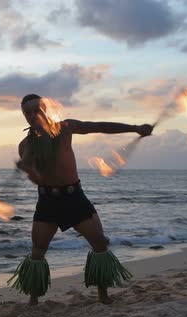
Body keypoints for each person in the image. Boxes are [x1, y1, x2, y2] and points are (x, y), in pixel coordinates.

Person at [8, 94, 153, 305]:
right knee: (37, 251)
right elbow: (38, 178)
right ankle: (33, 300)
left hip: (74, 198)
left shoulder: (64, 128)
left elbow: (99, 126)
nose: (32, 115)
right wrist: (28, 170)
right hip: (48, 201)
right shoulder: (25, 146)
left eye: (36, 110)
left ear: (44, 109)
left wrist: (136, 128)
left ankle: (103, 295)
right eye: (27, 113)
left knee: (99, 244)